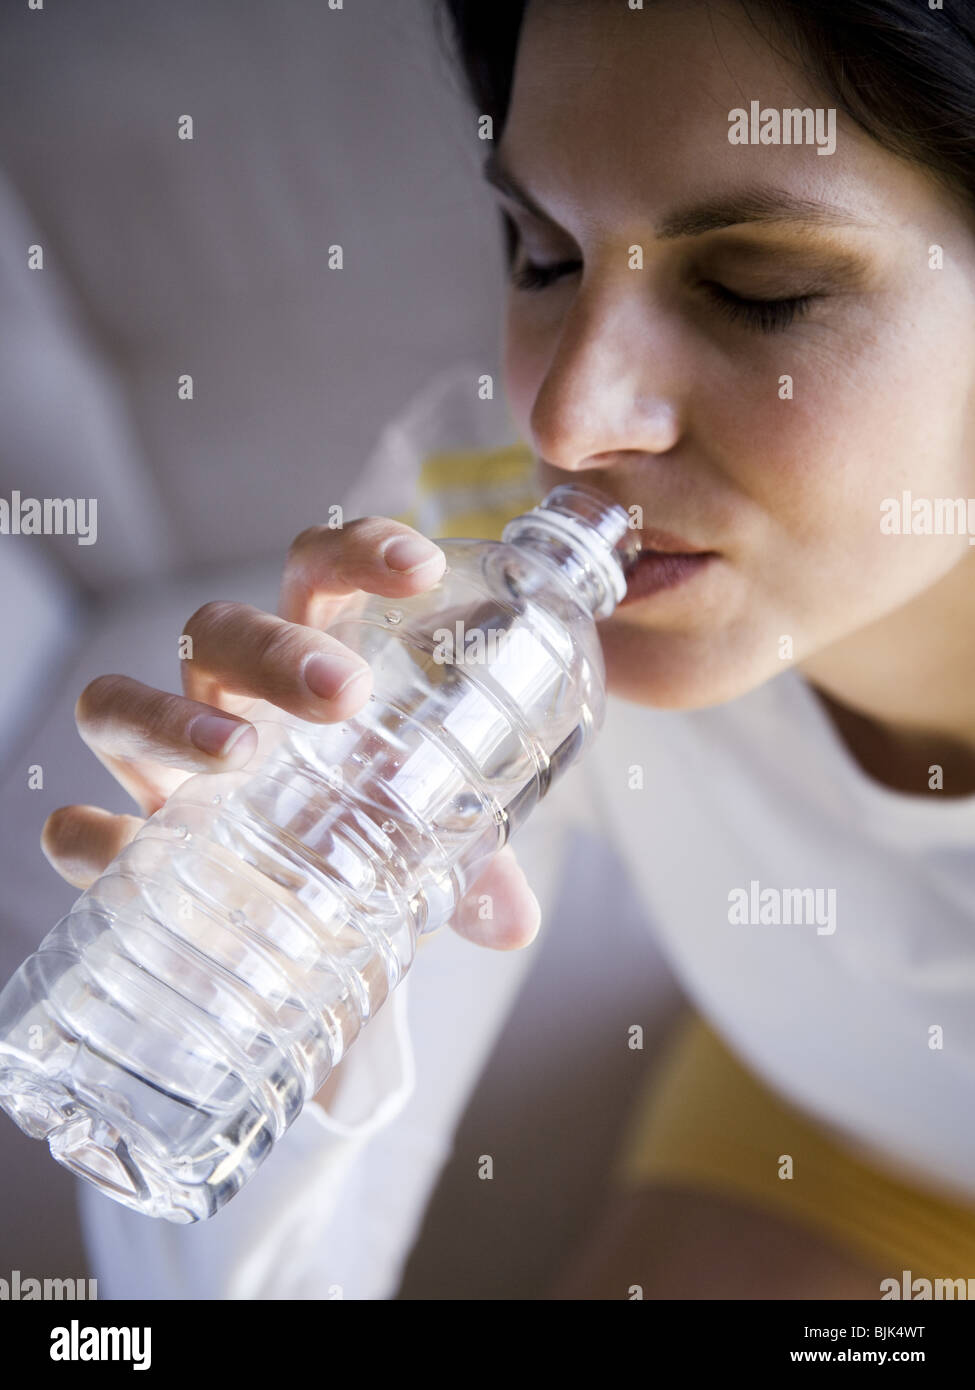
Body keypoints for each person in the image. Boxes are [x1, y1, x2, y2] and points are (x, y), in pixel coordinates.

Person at [43, 0, 975, 1298]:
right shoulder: (477, 552)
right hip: (845, 1126)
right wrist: (259, 1006)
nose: (571, 418)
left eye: (757, 290)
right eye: (543, 257)